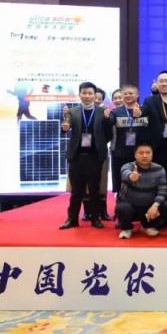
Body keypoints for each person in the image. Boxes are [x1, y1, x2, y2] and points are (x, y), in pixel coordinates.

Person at [59, 81, 113, 229]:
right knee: (76, 191)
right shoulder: (73, 112)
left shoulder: (103, 112)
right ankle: (72, 219)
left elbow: (108, 134)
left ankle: (95, 218)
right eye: (84, 93)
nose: (87, 96)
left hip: (95, 157)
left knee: (94, 190)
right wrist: (64, 127)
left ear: (95, 95)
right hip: (76, 157)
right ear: (79, 94)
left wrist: (107, 121)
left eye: (90, 93)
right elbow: (65, 127)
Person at [115, 143, 167, 239]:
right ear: (135, 155)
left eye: (148, 153)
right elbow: (125, 173)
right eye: (141, 153)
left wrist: (156, 205)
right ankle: (126, 228)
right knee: (122, 208)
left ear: (152, 154)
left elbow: (162, 190)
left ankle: (148, 225)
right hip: (130, 205)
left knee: (165, 205)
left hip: (149, 207)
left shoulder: (159, 169)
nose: (145, 156)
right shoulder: (127, 166)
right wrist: (131, 176)